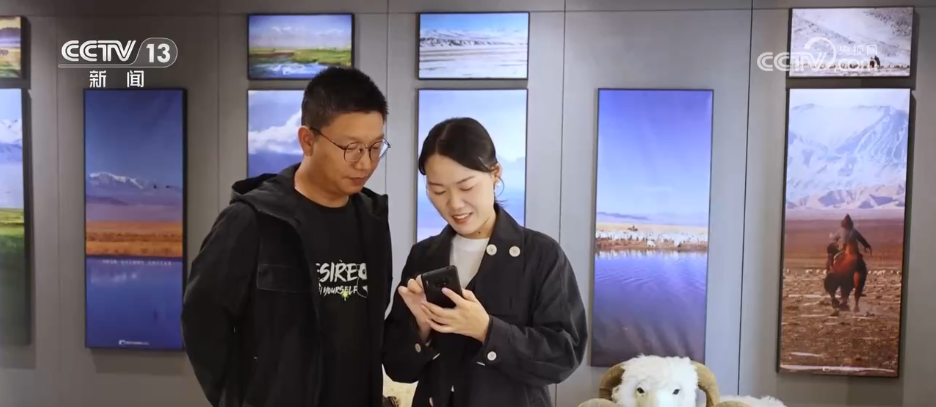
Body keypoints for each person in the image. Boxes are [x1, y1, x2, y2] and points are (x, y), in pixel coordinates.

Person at [181, 67, 393, 407]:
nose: (365, 163)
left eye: (375, 147)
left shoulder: (372, 220)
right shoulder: (253, 219)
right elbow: (201, 320)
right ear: (308, 140)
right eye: (352, 148)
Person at [382, 117, 588, 407]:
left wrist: (487, 330)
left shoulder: (541, 254)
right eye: (438, 191)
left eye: (466, 187)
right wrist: (421, 327)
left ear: (495, 173)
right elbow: (397, 368)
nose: (454, 204)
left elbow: (564, 356)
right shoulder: (424, 255)